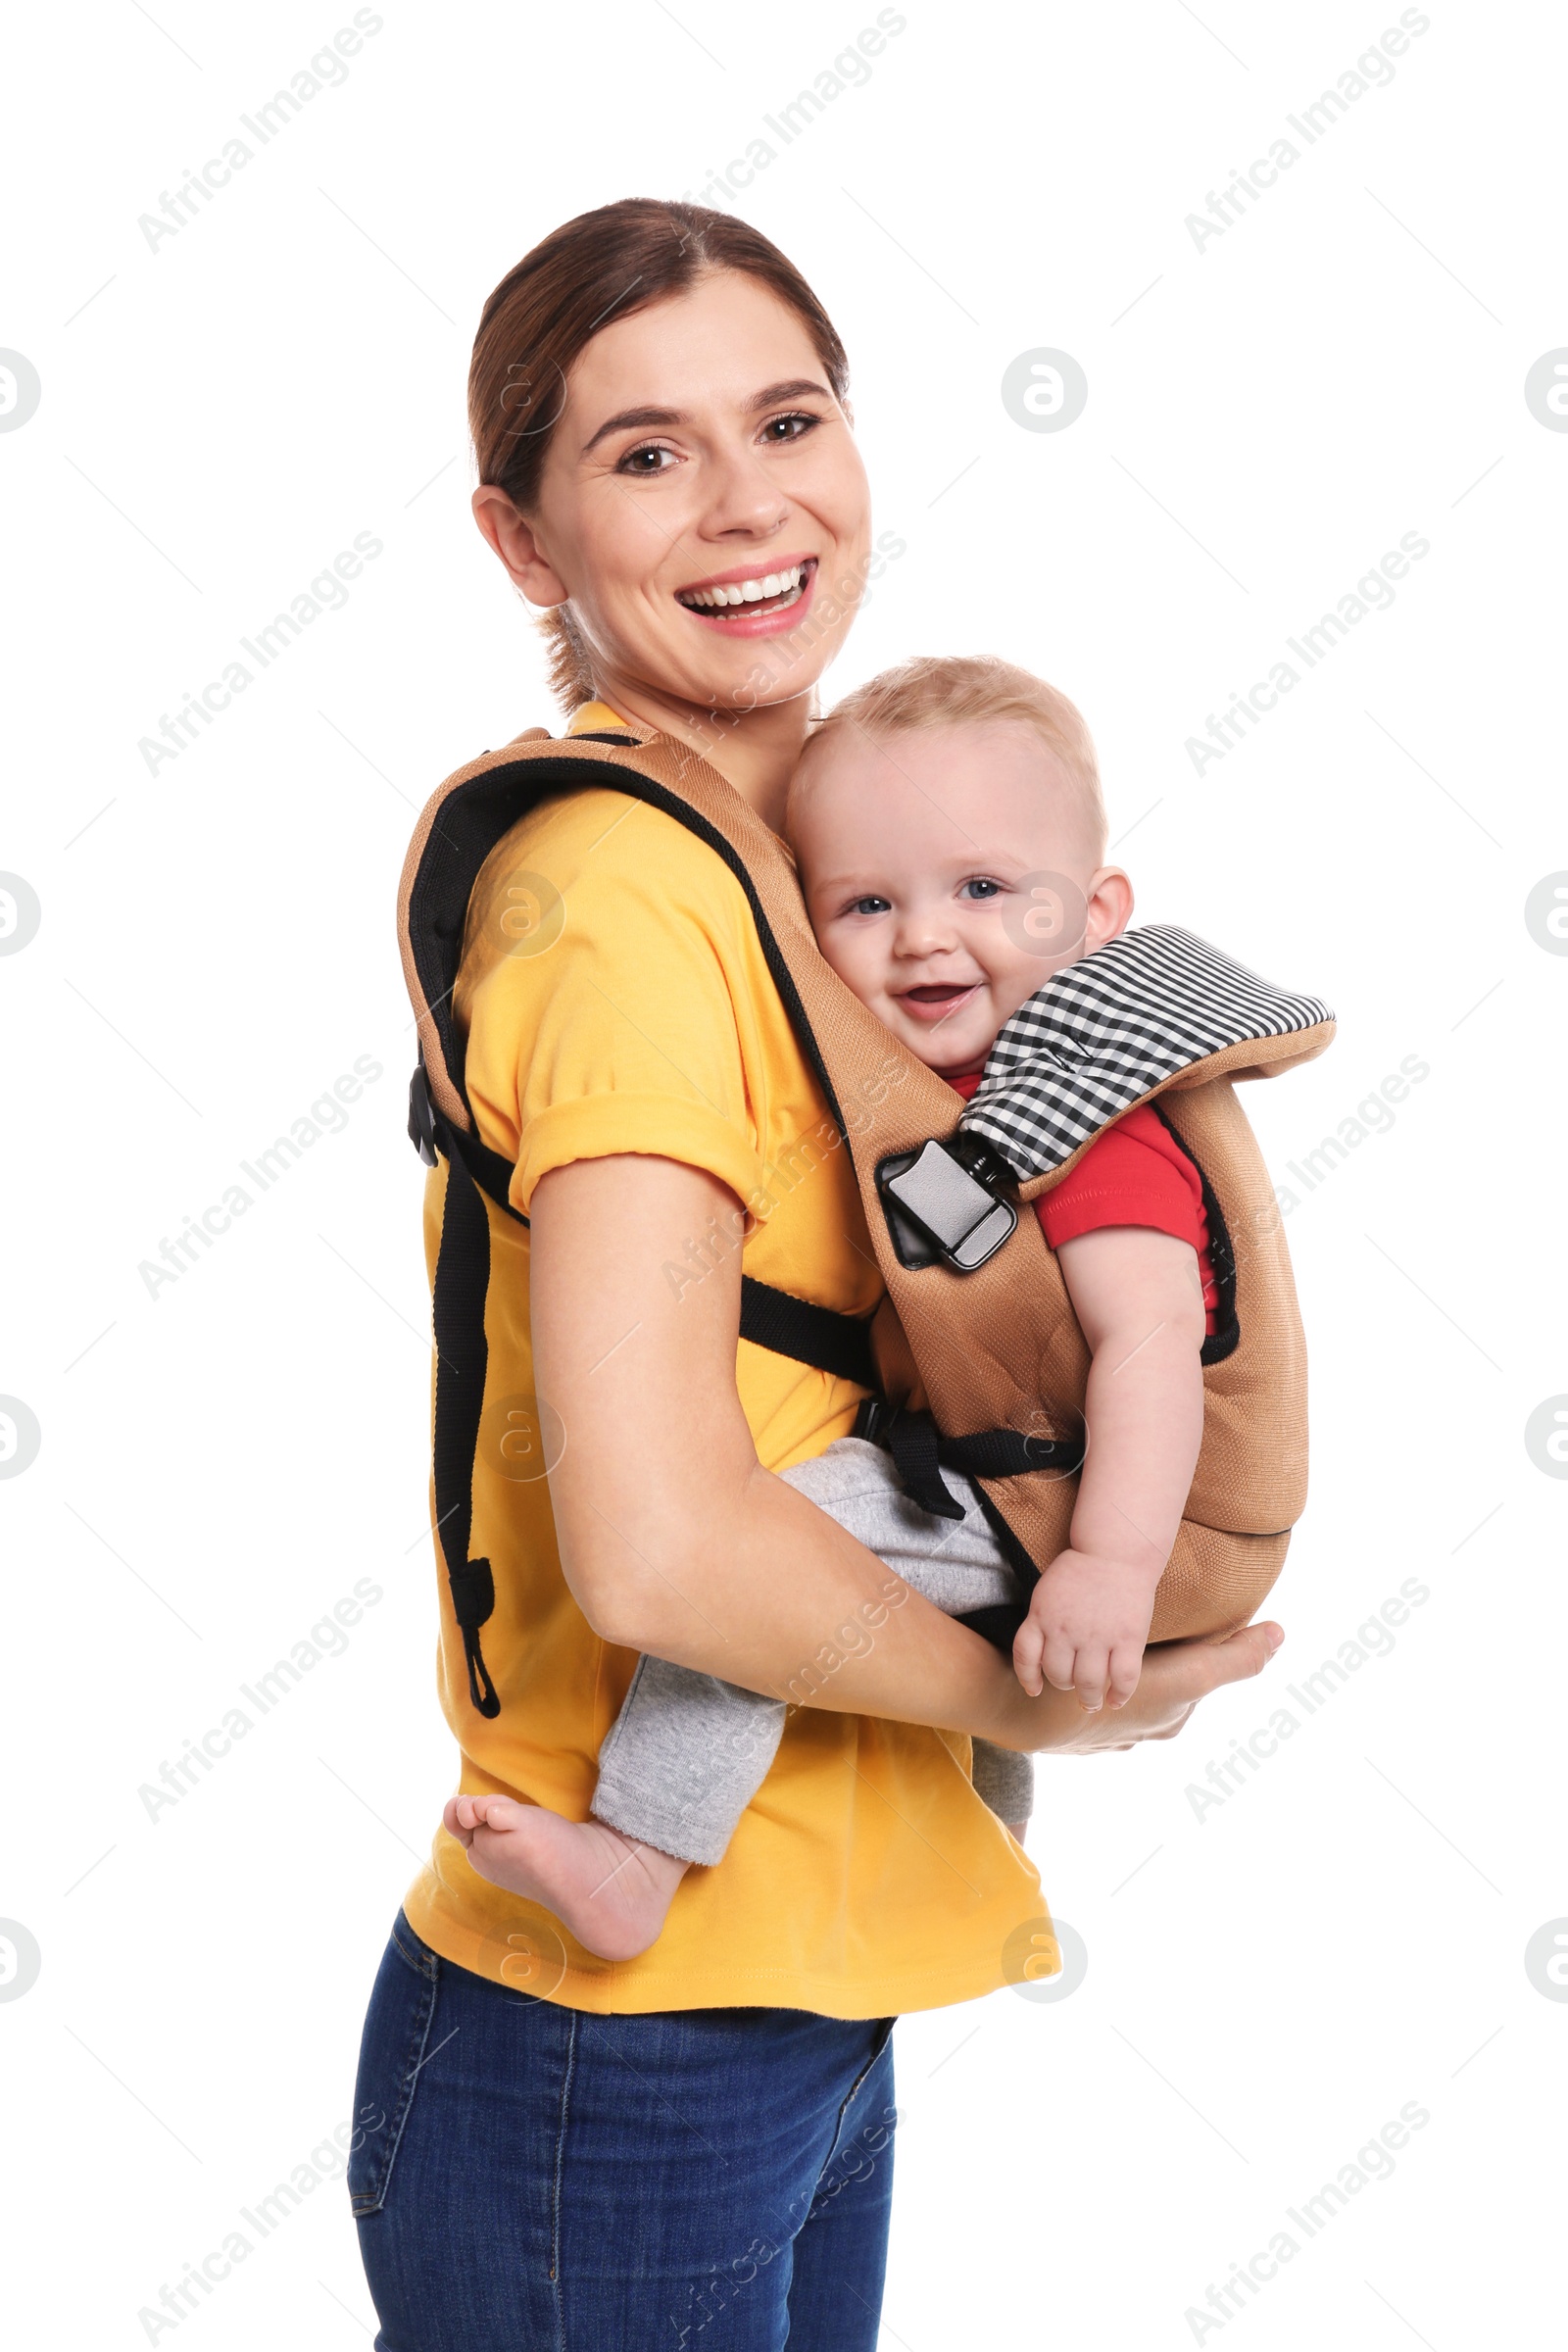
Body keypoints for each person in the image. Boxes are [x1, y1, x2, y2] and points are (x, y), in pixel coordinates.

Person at [350, 198, 1285, 2352]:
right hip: (625, 2033)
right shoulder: (623, 903)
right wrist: (1066, 1685)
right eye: (645, 453)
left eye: (788, 418)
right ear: (523, 544)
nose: (749, 502)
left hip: (797, 1987)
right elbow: (667, 1561)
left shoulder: (826, 856)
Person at [444, 653, 1236, 1960]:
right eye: (866, 904)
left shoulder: (1084, 1125)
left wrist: (1110, 1564)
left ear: (1095, 913)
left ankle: (639, 1856)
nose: (923, 934)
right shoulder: (946, 1099)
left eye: (982, 888)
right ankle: (971, 1864)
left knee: (780, 1545)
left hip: (1070, 1501)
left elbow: (1153, 1343)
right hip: (1011, 1485)